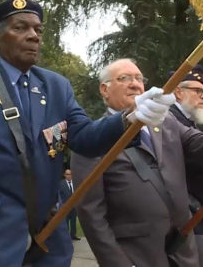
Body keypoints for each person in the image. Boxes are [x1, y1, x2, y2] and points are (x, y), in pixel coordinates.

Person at [0, 0, 174, 267]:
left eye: (37, 30)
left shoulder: (56, 86)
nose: (33, 36)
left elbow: (84, 138)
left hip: (49, 237)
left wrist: (130, 118)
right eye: (21, 28)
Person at [71, 58, 203, 267]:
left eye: (139, 78)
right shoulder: (93, 139)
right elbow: (91, 214)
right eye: (124, 78)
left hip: (183, 252)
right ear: (104, 90)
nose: (135, 83)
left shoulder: (166, 121)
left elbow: (197, 145)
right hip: (136, 256)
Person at [170, 64, 203, 266]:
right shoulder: (171, 120)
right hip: (189, 219)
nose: (202, 96)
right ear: (178, 92)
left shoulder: (190, 122)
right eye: (198, 91)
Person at [59, 169, 80, 241]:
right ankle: (66, 237)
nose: (69, 176)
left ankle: (73, 235)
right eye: (67, 174)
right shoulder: (61, 184)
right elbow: (59, 195)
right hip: (65, 206)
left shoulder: (75, 183)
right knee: (66, 222)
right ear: (65, 175)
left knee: (73, 222)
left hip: (74, 207)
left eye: (70, 174)